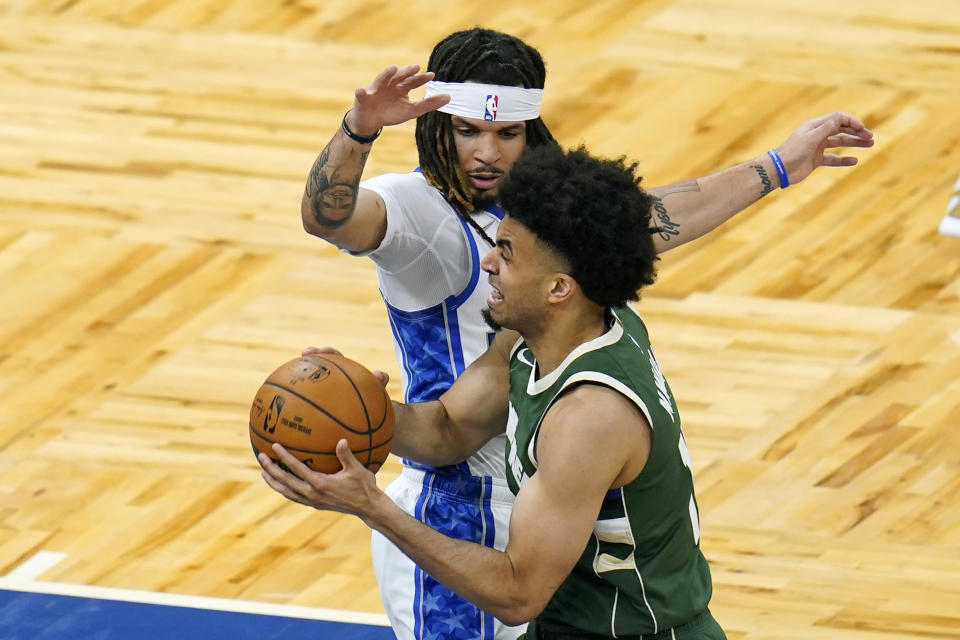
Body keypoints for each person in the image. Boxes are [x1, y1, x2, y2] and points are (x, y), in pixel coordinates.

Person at [300, 27, 873, 640]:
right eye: (468, 131)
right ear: (437, 126)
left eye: (507, 133)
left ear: (559, 287)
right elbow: (326, 216)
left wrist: (780, 166)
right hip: (463, 500)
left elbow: (653, 214)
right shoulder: (422, 216)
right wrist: (359, 131)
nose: (487, 153)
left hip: (554, 497)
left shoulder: (574, 361)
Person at [263, 144, 727, 639]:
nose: (487, 264)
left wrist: (373, 506)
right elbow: (450, 429)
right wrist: (358, 408)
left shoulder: (589, 416)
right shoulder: (551, 333)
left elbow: (517, 593)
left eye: (506, 253)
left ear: (558, 289)